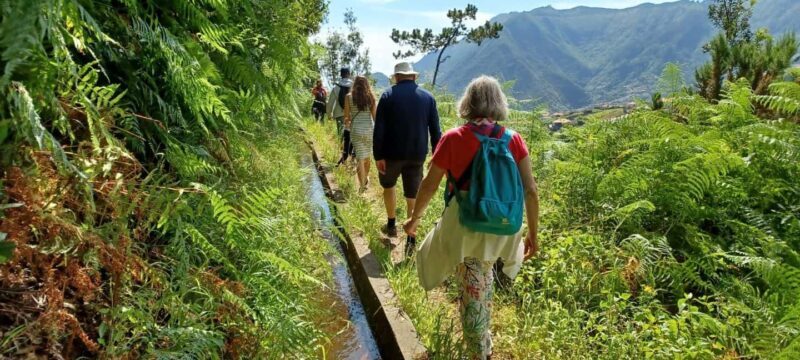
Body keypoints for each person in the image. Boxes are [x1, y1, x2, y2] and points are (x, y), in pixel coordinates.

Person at [403, 76, 539, 359]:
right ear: (498, 103)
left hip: (466, 225)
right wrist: (532, 235)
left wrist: (414, 219)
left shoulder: (453, 138)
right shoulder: (514, 139)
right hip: (503, 225)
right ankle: (484, 341)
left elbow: (429, 185)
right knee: (482, 273)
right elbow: (531, 191)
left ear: (468, 103)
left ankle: (478, 351)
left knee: (468, 277)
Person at [373, 62, 441, 254]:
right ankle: (411, 238)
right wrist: (437, 156)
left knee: (389, 186)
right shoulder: (428, 98)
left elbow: (379, 129)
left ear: (396, 77)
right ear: (413, 77)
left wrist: (378, 155)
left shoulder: (387, 96)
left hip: (391, 155)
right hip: (417, 155)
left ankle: (391, 224)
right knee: (413, 194)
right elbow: (436, 131)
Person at [343, 76, 376, 192]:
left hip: (356, 130)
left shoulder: (348, 97)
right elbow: (375, 117)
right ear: (367, 84)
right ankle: (365, 178)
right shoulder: (371, 97)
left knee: (360, 158)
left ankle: (362, 185)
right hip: (369, 130)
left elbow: (346, 118)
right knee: (367, 157)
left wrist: (348, 122)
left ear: (354, 84)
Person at [327, 67, 353, 136]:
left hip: (339, 114)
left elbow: (330, 103)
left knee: (341, 135)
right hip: (352, 114)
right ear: (349, 74)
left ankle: (341, 146)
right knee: (351, 136)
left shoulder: (336, 87)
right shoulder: (354, 86)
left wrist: (329, 115)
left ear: (341, 75)